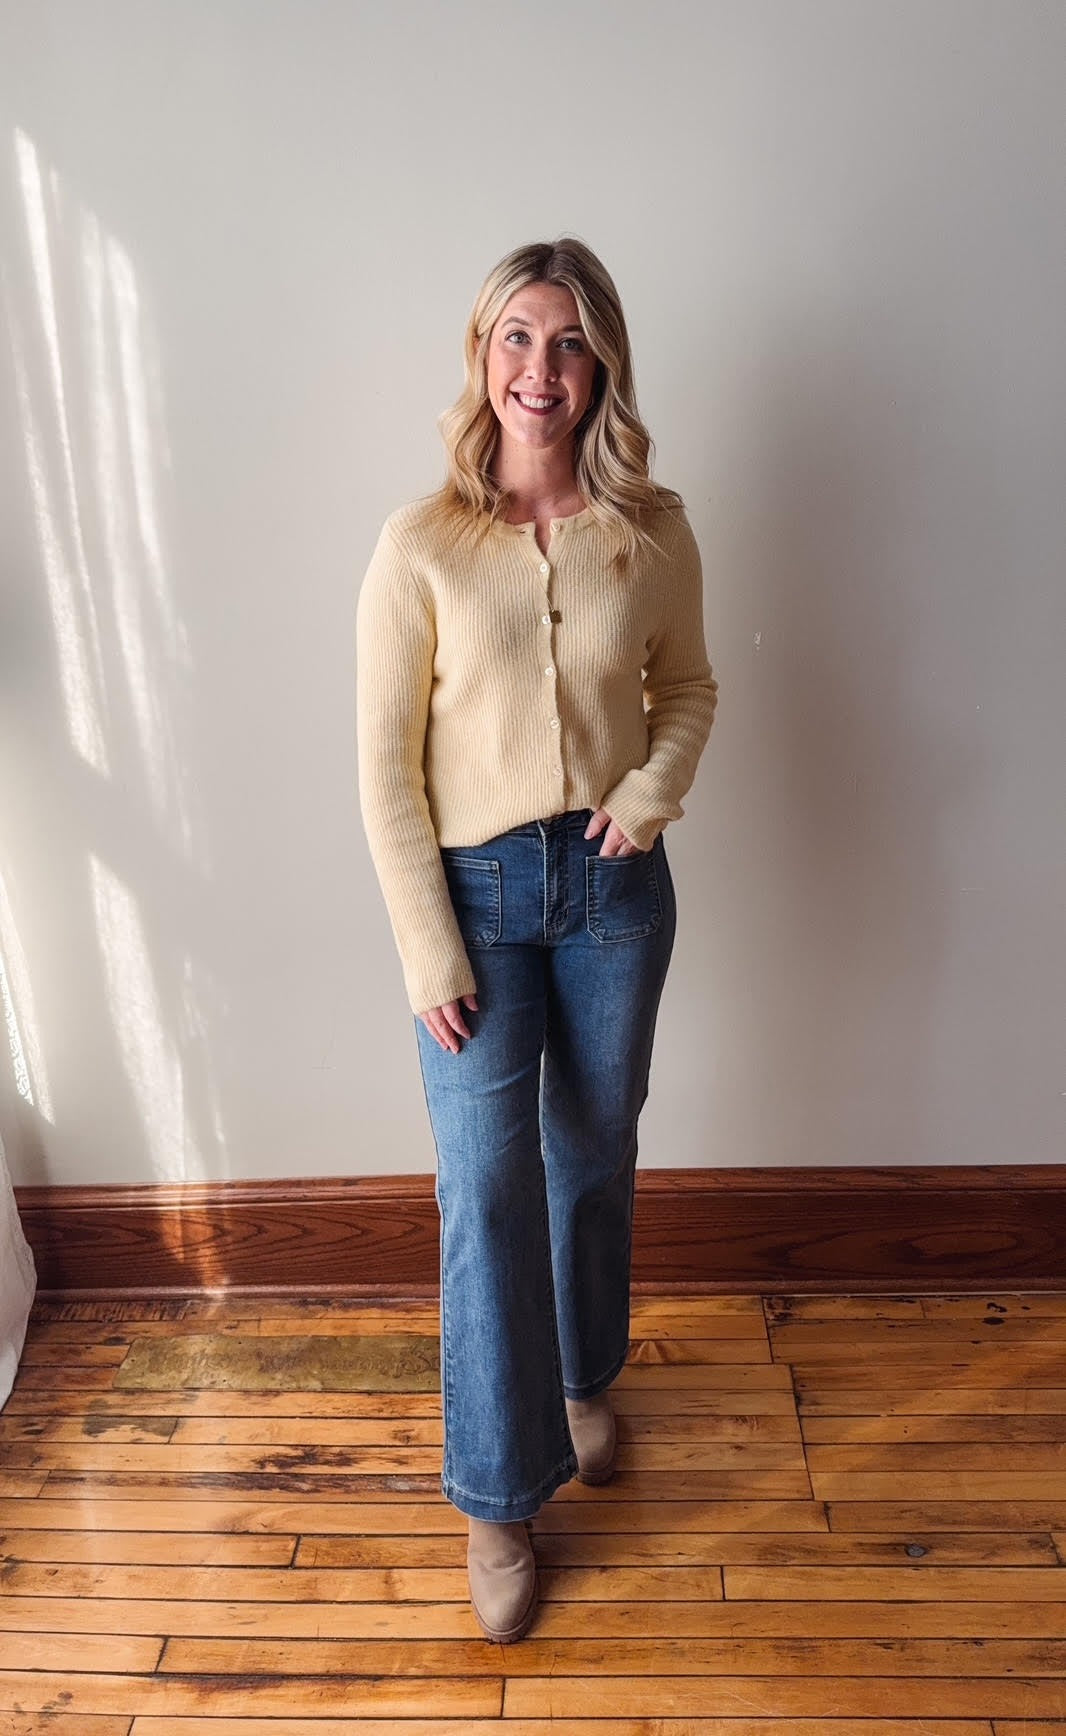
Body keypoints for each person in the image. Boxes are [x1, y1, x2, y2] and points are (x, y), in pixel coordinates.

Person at [355, 236, 718, 1643]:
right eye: (516, 338)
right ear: (480, 357)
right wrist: (424, 946)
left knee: (597, 1144)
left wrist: (647, 793)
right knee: (483, 1188)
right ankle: (498, 1498)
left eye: (566, 343)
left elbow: (684, 685)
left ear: (600, 364)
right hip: (478, 904)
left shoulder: (655, 527)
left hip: (617, 896)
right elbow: (383, 764)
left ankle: (578, 1376)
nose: (539, 370)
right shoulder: (420, 545)